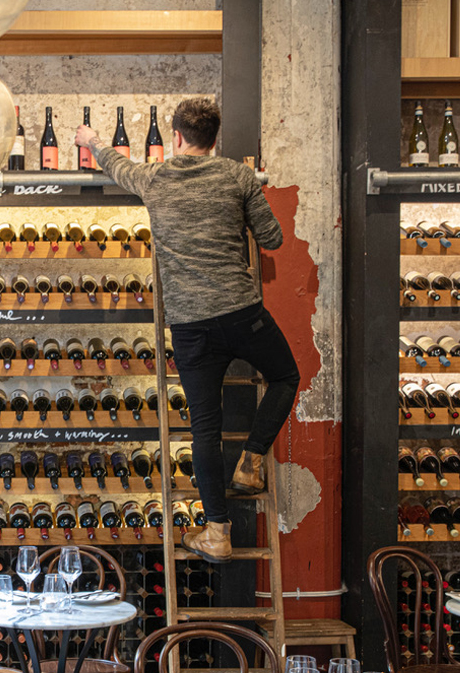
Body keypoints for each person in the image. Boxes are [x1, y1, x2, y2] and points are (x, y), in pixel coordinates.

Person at [75, 97, 300, 564]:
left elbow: (116, 165)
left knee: (204, 431)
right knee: (285, 377)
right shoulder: (238, 176)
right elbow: (274, 239)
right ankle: (253, 459)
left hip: (190, 326)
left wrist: (91, 141)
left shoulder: (154, 177)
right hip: (241, 312)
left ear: (175, 137)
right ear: (215, 137)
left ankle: (216, 532)